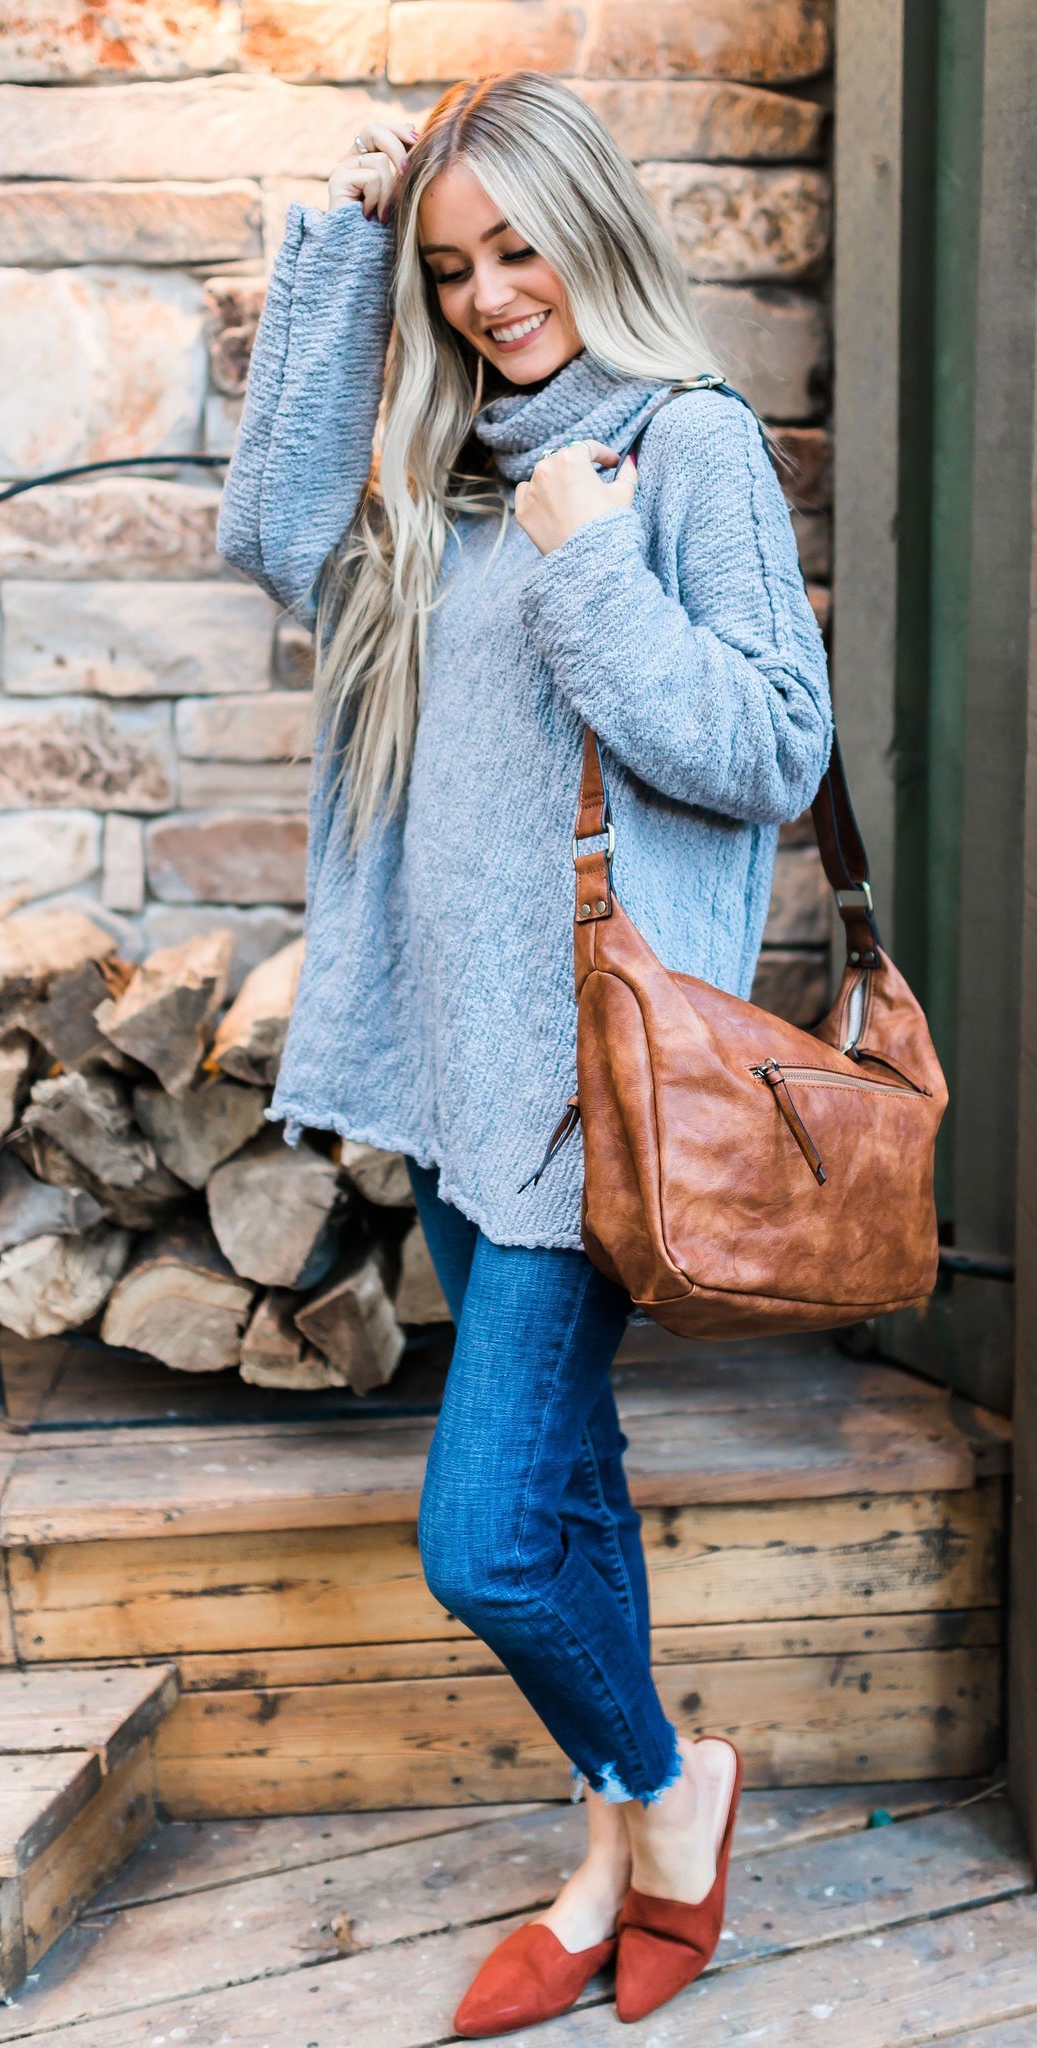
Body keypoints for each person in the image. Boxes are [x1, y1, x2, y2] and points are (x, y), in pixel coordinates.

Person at [215, 69, 832, 2034]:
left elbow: (769, 745)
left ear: (597, 222)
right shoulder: (445, 458)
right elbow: (270, 532)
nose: (490, 296)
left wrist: (586, 565)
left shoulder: (692, 445)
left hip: (590, 1100)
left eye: (518, 248)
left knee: (484, 1537)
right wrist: (337, 252)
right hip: (451, 1085)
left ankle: (668, 1787)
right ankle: (616, 1848)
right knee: (561, 1487)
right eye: (453, 265)